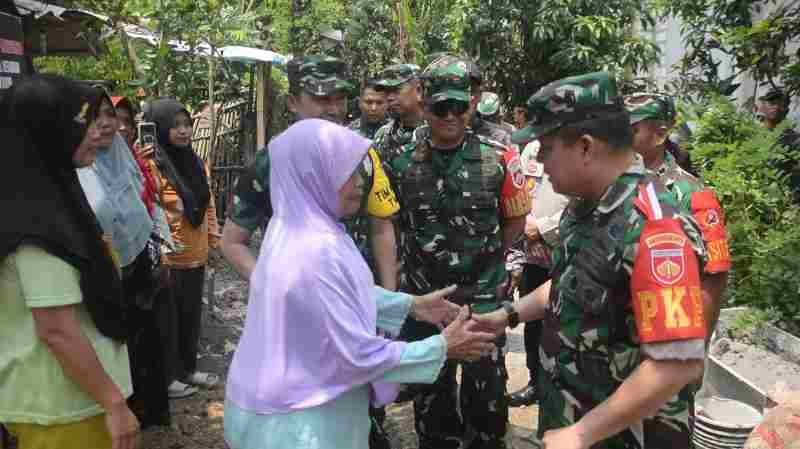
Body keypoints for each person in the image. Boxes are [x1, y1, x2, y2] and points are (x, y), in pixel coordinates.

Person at [223, 119, 496, 449]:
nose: (357, 184)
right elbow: (354, 355)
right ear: (312, 175)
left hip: (280, 410)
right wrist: (440, 348)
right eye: (345, 174)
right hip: (300, 426)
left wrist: (411, 305)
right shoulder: (314, 249)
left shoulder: (293, 227)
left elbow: (329, 298)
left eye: (358, 173)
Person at [474, 71, 709, 449]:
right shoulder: (588, 204)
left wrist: (582, 434)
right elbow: (571, 280)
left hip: (623, 436)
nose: (541, 163)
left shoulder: (655, 227)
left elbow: (677, 363)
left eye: (546, 149)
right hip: (573, 415)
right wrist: (509, 315)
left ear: (585, 147)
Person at [388, 61, 530, 449]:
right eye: (440, 108)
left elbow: (515, 221)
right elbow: (391, 224)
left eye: (458, 107)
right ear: (424, 103)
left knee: (486, 401)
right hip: (426, 301)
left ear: (471, 104)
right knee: (431, 401)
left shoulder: (499, 157)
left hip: (483, 300)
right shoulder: (400, 160)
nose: (450, 116)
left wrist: (489, 267)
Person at [0, 75, 139, 449]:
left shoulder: (50, 198)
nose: (97, 132)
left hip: (77, 401)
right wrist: (113, 403)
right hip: (63, 411)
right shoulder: (36, 224)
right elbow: (56, 329)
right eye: (82, 122)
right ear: (47, 131)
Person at [222, 55, 400, 290]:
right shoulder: (273, 161)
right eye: (322, 99)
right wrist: (271, 290)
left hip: (357, 300)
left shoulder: (362, 155)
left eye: (341, 99)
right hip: (298, 304)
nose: (335, 110)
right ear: (293, 102)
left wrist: (390, 301)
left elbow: (381, 228)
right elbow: (232, 241)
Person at [77, 92, 173, 428]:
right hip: (103, 272)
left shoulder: (122, 152)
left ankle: (146, 412)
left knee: (144, 341)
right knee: (117, 347)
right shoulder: (76, 167)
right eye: (94, 116)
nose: (107, 123)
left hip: (138, 262)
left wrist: (157, 250)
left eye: (110, 115)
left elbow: (142, 203)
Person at [626, 92, 731, 337]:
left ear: (660, 134)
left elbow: (713, 280)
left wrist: (689, 354)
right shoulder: (611, 183)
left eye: (629, 129)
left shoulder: (693, 195)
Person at [140, 98, 221, 398]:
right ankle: (168, 377)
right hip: (168, 256)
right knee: (166, 321)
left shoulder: (196, 162)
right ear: (160, 129)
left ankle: (187, 369)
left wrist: (213, 239)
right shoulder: (152, 164)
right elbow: (150, 210)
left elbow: (208, 202)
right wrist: (160, 252)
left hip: (196, 253)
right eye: (175, 126)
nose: (184, 131)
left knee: (189, 316)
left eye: (186, 124)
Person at [505, 140, 569, 408]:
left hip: (562, 250)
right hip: (532, 255)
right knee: (533, 324)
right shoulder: (531, 148)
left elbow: (582, 202)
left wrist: (542, 228)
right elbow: (522, 191)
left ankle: (560, 385)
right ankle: (535, 381)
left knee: (561, 323)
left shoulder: (579, 146)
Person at [373, 63, 426, 168]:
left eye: (396, 90)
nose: (389, 97)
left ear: (418, 90)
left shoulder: (439, 131)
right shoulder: (383, 136)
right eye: (387, 92)